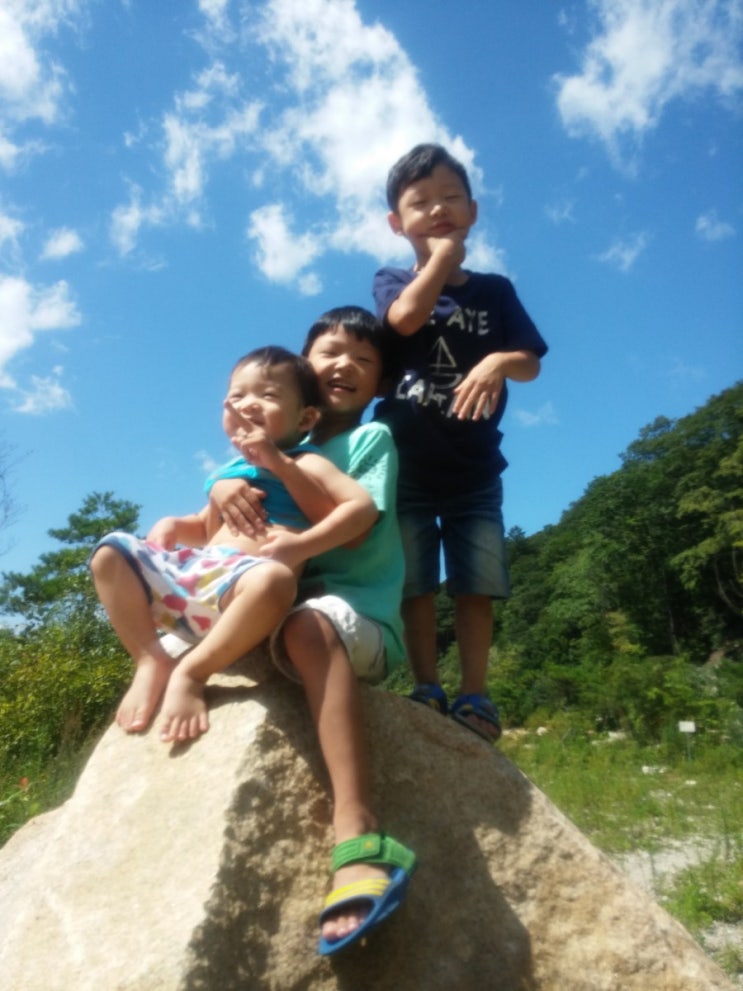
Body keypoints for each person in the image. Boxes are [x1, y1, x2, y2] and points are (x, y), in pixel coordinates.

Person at [210, 307, 417, 956]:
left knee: (307, 624)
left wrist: (294, 543)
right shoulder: (268, 452)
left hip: (355, 616)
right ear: (303, 369)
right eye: (329, 352)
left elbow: (355, 523)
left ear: (381, 382)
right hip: (276, 612)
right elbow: (211, 525)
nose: (343, 365)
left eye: (363, 359)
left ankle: (357, 833)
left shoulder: (368, 440)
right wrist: (219, 496)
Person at [89, 345, 377, 745]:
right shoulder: (230, 472)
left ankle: (192, 672)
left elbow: (361, 508)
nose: (248, 404)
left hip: (244, 589)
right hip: (195, 578)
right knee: (110, 552)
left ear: (306, 418)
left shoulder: (306, 462)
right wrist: (173, 524)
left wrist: (301, 545)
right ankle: (150, 658)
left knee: (275, 580)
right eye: (237, 395)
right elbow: (203, 526)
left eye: (268, 395)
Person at [373, 143, 548, 742]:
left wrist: (498, 361)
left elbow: (531, 363)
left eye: (451, 197)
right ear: (396, 223)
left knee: (478, 582)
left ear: (472, 210)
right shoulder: (393, 281)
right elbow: (404, 320)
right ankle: (427, 685)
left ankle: (476, 695)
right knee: (416, 582)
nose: (438, 209)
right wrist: (443, 258)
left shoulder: (495, 291)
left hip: (475, 467)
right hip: (409, 463)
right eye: (420, 202)